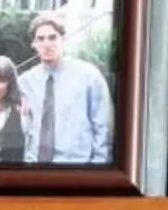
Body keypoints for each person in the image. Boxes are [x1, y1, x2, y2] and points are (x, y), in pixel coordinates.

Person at [18, 10, 114, 166]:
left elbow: (103, 128)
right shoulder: (25, 83)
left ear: (63, 39)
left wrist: (97, 170)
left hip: (77, 168)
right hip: (35, 168)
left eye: (52, 37)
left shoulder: (88, 76)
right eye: (40, 39)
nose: (47, 44)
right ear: (33, 44)